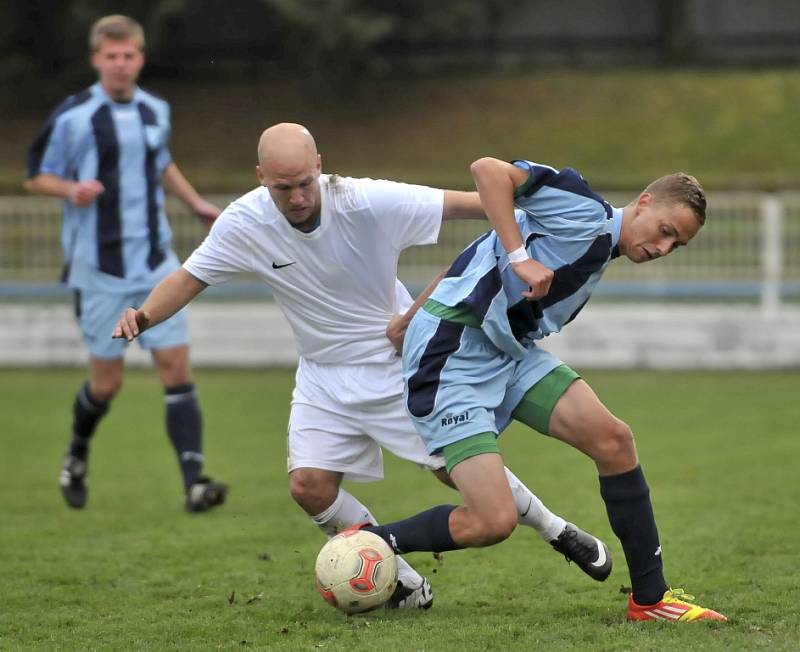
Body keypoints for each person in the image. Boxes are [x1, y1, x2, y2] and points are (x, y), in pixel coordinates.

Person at [113, 123, 613, 610]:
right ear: (261, 176)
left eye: (305, 183)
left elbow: (474, 201)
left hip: (395, 361)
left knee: (457, 476)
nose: (298, 197)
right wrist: (144, 314)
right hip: (321, 375)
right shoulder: (243, 222)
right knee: (309, 487)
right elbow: (189, 276)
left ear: (320, 167)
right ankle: (400, 579)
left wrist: (547, 230)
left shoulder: (366, 201)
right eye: (283, 188)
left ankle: (556, 529)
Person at [354, 158, 727, 622]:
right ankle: (368, 541)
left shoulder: (593, 242)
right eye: (666, 230)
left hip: (506, 351)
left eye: (678, 243)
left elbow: (475, 254)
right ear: (645, 202)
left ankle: (650, 601)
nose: (664, 246)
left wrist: (409, 316)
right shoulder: (582, 207)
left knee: (614, 441)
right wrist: (519, 258)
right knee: (493, 521)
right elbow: (488, 170)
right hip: (451, 354)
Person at [24, 15, 227, 513]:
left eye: (129, 55)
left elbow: (159, 163)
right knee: (107, 384)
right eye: (111, 56)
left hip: (155, 263)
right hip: (97, 270)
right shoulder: (74, 116)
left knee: (175, 367)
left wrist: (195, 203)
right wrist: (70, 189)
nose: (120, 64)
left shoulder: (155, 110)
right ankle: (76, 454)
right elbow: (36, 176)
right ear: (97, 60)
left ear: (140, 57)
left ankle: (194, 482)